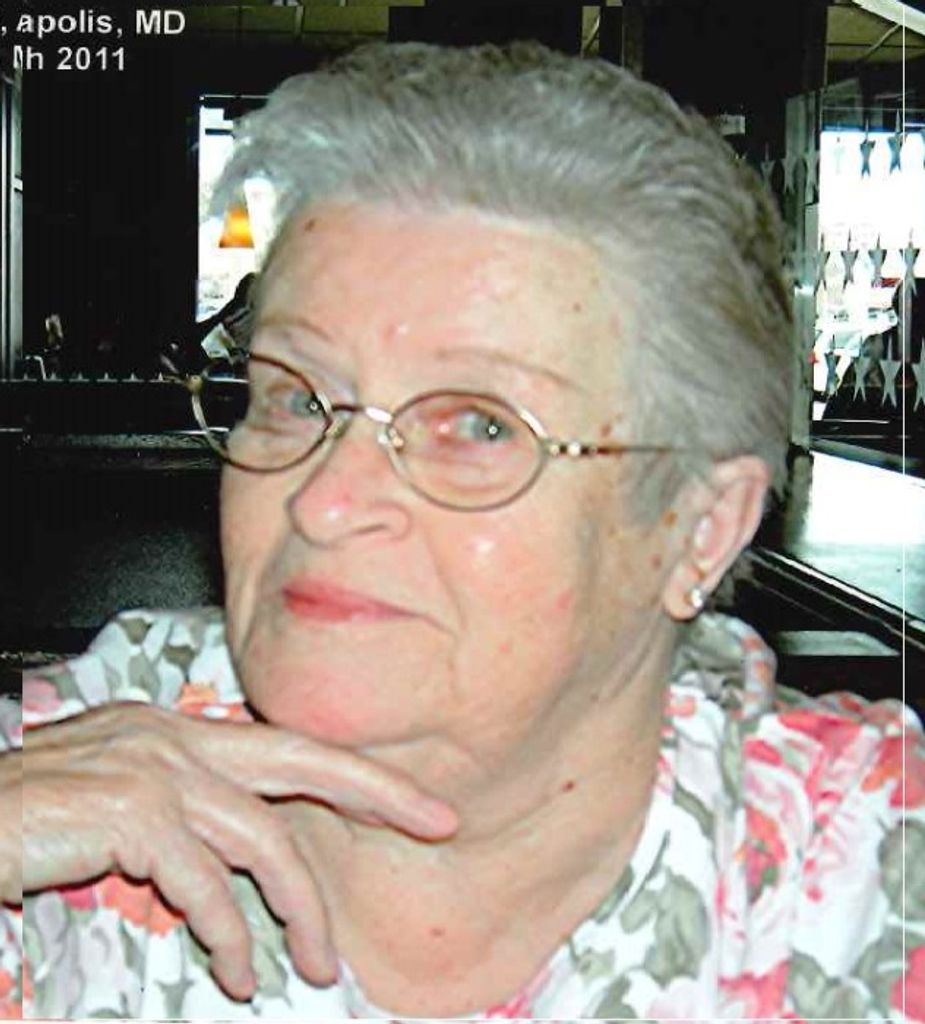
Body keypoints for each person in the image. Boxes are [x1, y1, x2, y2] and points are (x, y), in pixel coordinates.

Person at [2, 42, 923, 1021]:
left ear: (698, 526)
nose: (322, 500)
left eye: (480, 426)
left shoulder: (866, 874)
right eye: (296, 398)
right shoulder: (51, 804)